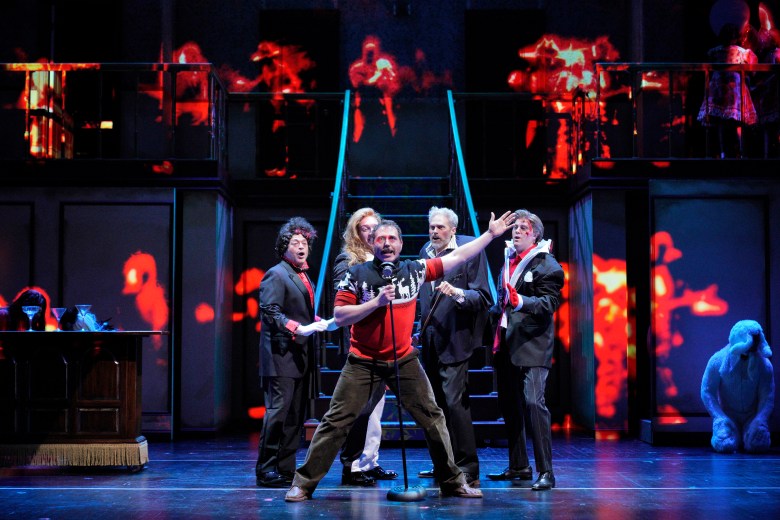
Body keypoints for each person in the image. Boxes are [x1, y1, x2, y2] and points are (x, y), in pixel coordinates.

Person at [284, 211, 516, 502]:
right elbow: (341, 316)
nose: (387, 243)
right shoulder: (356, 275)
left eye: (392, 238)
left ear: (401, 244)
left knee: (433, 417)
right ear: (372, 244)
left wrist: (490, 236)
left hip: (403, 359)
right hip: (363, 360)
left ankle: (453, 481)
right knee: (335, 421)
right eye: (381, 239)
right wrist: (377, 302)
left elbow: (457, 258)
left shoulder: (414, 269)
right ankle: (303, 484)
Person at [415, 206, 492, 487]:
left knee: (455, 404)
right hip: (431, 340)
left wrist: (457, 293)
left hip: (457, 340)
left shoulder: (470, 249)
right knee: (434, 407)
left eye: (440, 227)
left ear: (453, 229)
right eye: (432, 227)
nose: (434, 232)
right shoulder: (425, 252)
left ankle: (467, 467)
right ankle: (443, 466)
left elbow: (483, 297)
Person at [255, 217, 334, 488]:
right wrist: (298, 328)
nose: (301, 247)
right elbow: (270, 311)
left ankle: (285, 467)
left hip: (299, 356)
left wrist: (317, 322)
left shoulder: (303, 275)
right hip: (280, 356)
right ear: (284, 247)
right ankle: (266, 469)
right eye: (294, 242)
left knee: (294, 417)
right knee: (278, 413)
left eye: (304, 243)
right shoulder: (276, 274)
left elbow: (300, 310)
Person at [489, 209, 564, 491]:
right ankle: (519, 465)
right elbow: (501, 302)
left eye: (523, 228)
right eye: (515, 228)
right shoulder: (507, 262)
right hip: (506, 342)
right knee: (510, 405)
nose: (516, 232)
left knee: (534, 403)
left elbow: (548, 305)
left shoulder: (548, 266)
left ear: (535, 234)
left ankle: (546, 471)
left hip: (533, 344)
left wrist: (521, 301)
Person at [333, 208, 398, 485]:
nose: (372, 232)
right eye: (365, 228)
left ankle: (369, 461)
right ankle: (352, 466)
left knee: (375, 409)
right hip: (360, 344)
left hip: (382, 341)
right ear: (356, 233)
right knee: (359, 409)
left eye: (375, 227)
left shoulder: (382, 259)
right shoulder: (349, 259)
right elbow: (343, 301)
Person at [697, 22, 758, 158]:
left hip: (719, 85)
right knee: (737, 120)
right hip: (733, 86)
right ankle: (740, 151)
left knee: (721, 121)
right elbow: (752, 69)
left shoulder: (715, 51)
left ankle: (724, 151)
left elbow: (709, 60)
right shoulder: (741, 52)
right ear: (736, 37)